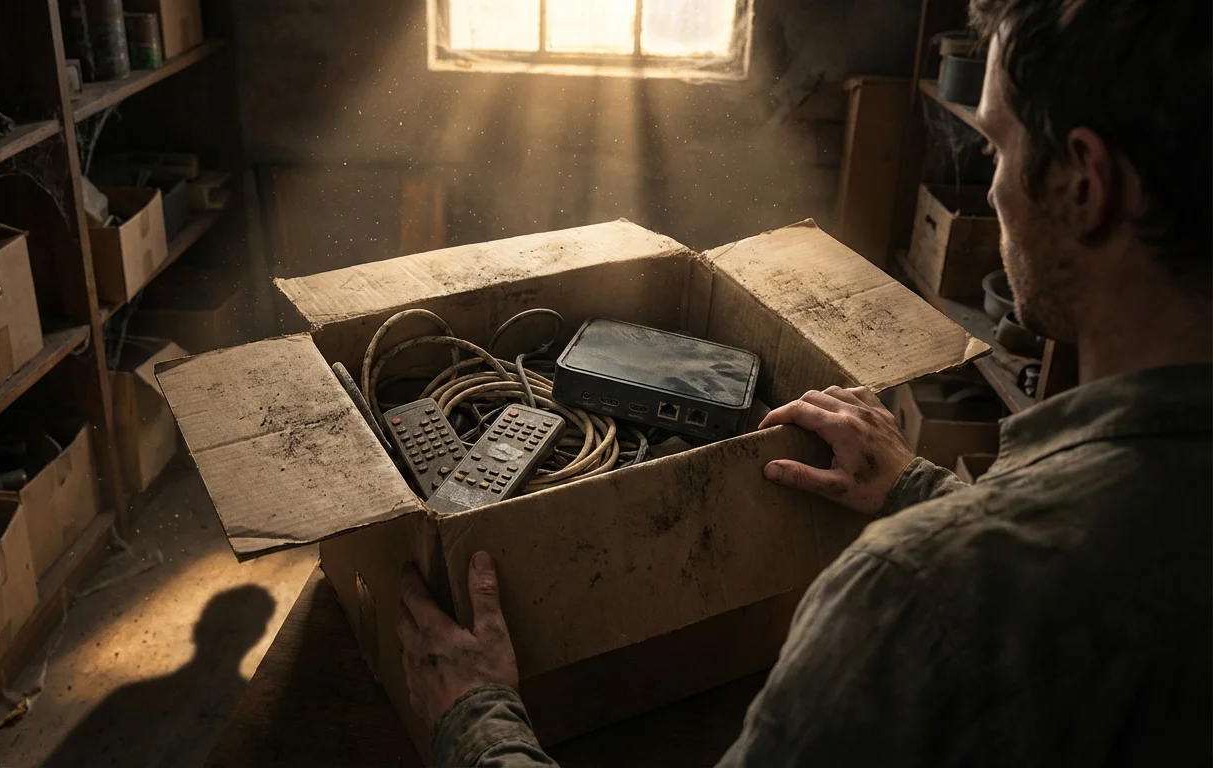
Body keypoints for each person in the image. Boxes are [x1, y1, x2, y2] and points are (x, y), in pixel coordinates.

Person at [397, 0, 1212, 764]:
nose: (992, 187)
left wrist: (477, 717)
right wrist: (925, 490)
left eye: (997, 147)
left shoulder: (909, 594)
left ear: (1083, 184)